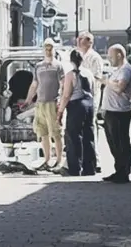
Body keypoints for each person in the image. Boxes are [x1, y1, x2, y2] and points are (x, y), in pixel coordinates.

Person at [24, 38, 64, 170]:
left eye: (50, 48)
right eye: (46, 48)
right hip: (40, 104)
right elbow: (34, 84)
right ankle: (47, 160)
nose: (48, 51)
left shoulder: (58, 66)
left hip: (53, 103)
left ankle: (58, 160)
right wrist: (28, 100)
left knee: (56, 133)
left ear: (54, 49)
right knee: (43, 133)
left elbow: (63, 85)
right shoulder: (38, 66)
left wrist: (61, 102)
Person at [56, 49, 96, 176]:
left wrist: (60, 111)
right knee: (88, 135)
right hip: (89, 104)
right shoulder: (88, 73)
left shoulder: (70, 74)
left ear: (71, 60)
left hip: (76, 105)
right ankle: (89, 167)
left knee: (73, 137)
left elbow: (66, 94)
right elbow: (93, 89)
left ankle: (74, 168)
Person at [101, 44, 131, 184]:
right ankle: (119, 169)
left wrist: (108, 82)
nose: (109, 58)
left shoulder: (125, 70)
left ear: (119, 55)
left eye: (111, 55)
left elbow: (119, 87)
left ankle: (124, 171)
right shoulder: (117, 70)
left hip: (119, 112)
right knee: (113, 142)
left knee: (120, 142)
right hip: (111, 111)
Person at [77, 31, 104, 173]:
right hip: (79, 97)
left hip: (90, 96)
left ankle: (95, 160)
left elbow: (97, 79)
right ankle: (84, 158)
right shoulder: (79, 56)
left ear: (89, 42)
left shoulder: (95, 58)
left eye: (82, 39)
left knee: (90, 126)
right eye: (79, 39)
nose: (78, 41)